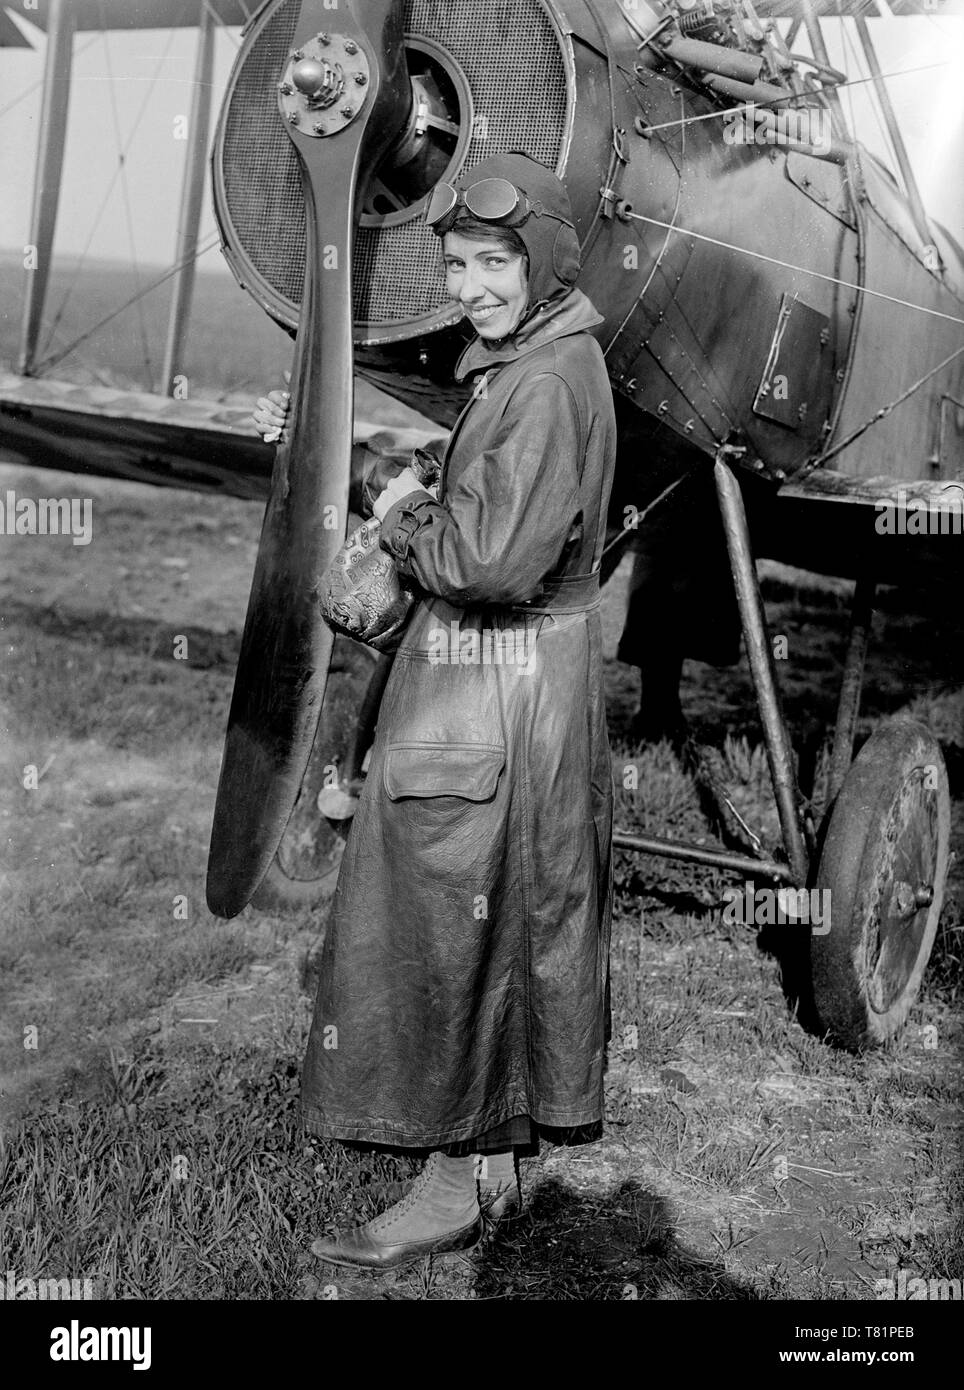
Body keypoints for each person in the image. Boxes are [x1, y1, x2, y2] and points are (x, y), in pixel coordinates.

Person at [254, 152, 618, 1271]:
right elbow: (484, 501)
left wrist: (398, 515)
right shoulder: (534, 365)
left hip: (494, 687)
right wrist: (383, 468)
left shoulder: (549, 381)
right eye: (456, 262)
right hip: (503, 683)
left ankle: (450, 1183)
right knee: (499, 926)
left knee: (448, 927)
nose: (468, 284)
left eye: (493, 261)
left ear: (542, 260)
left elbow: (488, 556)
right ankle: (483, 1160)